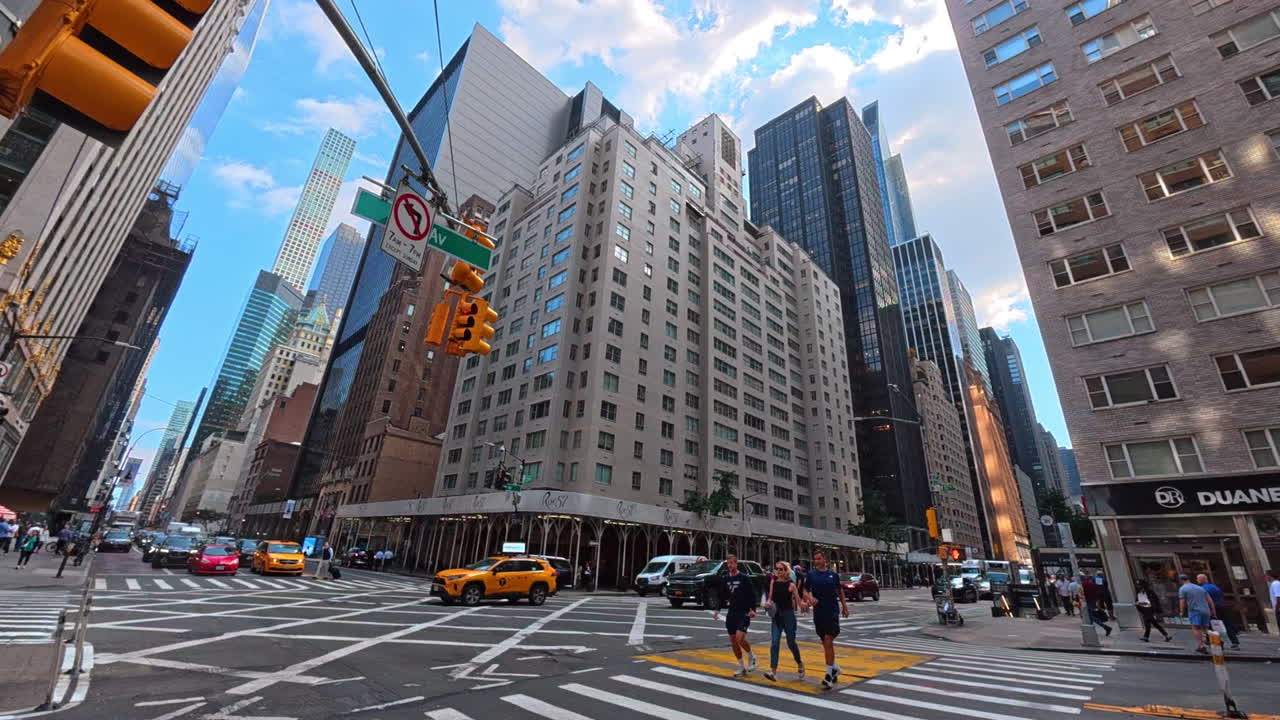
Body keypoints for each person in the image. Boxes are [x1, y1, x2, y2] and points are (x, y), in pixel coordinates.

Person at [803, 550, 849, 689]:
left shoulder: (833, 575)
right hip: (819, 613)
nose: (816, 561)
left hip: (832, 612)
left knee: (828, 640)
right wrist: (809, 598)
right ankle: (834, 668)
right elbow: (804, 591)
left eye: (818, 559)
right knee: (825, 643)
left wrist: (844, 607)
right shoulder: (811, 574)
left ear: (825, 560)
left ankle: (828, 675)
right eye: (815, 559)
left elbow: (839, 591)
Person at [712, 555, 758, 677]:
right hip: (732, 612)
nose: (730, 565)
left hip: (744, 612)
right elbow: (722, 596)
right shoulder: (725, 578)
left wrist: (753, 609)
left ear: (736, 564)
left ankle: (752, 656)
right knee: (733, 641)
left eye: (732, 563)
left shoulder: (744, 578)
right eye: (728, 563)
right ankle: (741, 666)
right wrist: (717, 610)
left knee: (740, 638)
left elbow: (752, 594)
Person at [762, 561, 805, 682]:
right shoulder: (773, 582)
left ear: (786, 571)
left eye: (781, 569)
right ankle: (773, 672)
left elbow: (798, 601)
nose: (778, 571)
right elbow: (770, 599)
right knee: (774, 643)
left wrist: (805, 604)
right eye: (777, 569)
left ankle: (800, 663)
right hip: (776, 616)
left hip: (788, 616)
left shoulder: (791, 585)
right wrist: (767, 604)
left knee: (791, 643)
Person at [1178, 573, 1215, 654]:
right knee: (1205, 629)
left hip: (1195, 611)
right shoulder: (1200, 588)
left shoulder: (1183, 589)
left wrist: (1181, 611)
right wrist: (1213, 611)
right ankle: (1215, 643)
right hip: (1206, 610)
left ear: (1181, 580)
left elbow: (1182, 601)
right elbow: (1210, 600)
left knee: (1196, 628)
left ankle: (1201, 646)